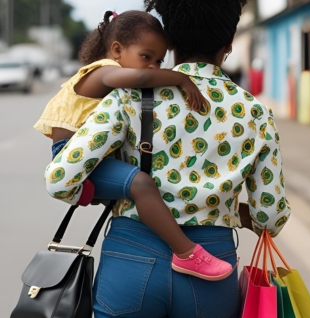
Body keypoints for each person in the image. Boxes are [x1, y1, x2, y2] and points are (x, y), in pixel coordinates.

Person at [44, 0, 292, 317]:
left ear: (170, 41)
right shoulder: (255, 112)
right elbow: (271, 217)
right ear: (229, 44)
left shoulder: (131, 94)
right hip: (212, 265)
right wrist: (225, 207)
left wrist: (110, 188)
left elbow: (60, 180)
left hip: (131, 258)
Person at [35, 10, 234, 281]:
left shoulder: (110, 75)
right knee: (141, 184)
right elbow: (142, 80)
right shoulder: (104, 72)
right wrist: (181, 78)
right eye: (146, 57)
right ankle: (187, 253)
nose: (153, 67)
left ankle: (89, 191)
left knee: (136, 181)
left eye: (160, 60)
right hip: (72, 155)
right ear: (117, 50)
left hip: (95, 155)